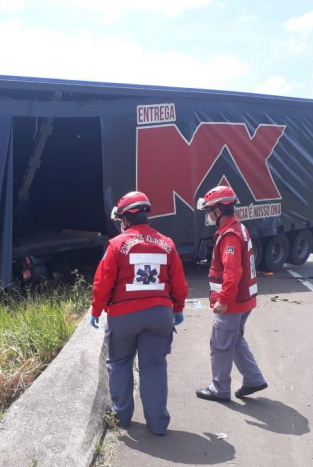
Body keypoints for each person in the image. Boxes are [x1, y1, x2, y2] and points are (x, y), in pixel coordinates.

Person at [89, 191, 189, 435]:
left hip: (124, 317)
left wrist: (96, 309)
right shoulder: (167, 243)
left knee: (120, 363)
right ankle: (158, 424)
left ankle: (121, 417)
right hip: (160, 315)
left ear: (125, 218)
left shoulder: (116, 245)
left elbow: (103, 282)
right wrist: (177, 309)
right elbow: (180, 284)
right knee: (154, 366)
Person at [195, 185, 268, 403]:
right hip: (244, 300)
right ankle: (254, 379)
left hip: (232, 303)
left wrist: (224, 301)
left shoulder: (229, 236)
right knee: (235, 339)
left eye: (209, 211)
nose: (208, 216)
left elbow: (232, 272)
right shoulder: (239, 229)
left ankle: (220, 388)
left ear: (218, 211)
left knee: (220, 345)